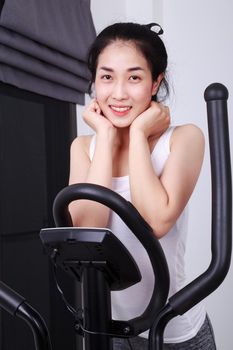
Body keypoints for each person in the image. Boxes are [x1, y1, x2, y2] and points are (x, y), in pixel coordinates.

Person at [68, 22, 216, 350]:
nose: (118, 93)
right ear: (94, 82)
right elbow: (87, 233)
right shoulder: (84, 148)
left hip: (175, 331)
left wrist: (137, 134)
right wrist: (105, 138)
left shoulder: (184, 138)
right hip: (110, 328)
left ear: (155, 83)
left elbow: (155, 222)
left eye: (134, 77)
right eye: (107, 77)